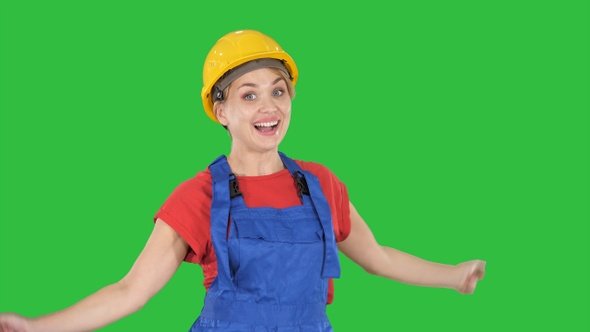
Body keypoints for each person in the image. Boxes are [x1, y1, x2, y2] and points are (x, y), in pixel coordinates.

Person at [0, 30, 486, 332]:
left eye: (278, 90)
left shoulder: (321, 186)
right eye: (248, 95)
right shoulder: (199, 196)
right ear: (221, 111)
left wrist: (453, 276)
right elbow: (132, 291)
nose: (269, 106)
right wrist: (38, 328)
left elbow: (378, 258)